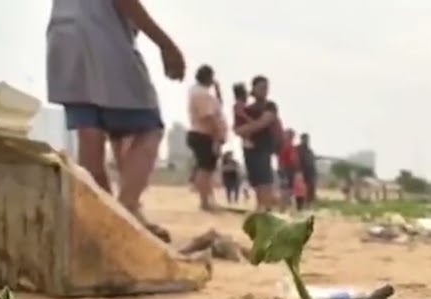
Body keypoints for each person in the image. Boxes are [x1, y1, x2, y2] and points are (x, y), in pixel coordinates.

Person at [46, 0, 184, 241]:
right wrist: (166, 45)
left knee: (90, 136)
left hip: (64, 37)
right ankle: (126, 211)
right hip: (102, 37)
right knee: (149, 127)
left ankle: (104, 221)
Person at [234, 75, 280, 210]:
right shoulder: (246, 108)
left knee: (265, 180)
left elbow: (263, 122)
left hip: (264, 147)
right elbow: (238, 130)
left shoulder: (270, 106)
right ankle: (261, 208)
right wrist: (247, 125)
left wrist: (246, 123)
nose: (264, 90)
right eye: (261, 87)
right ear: (253, 88)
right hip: (249, 149)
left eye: (266, 88)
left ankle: (266, 209)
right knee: (257, 182)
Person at [186, 64, 225, 210]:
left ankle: (208, 199)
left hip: (203, 134)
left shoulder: (201, 92)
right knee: (205, 169)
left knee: (207, 168)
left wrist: (218, 90)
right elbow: (208, 116)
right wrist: (217, 135)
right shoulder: (201, 94)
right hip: (204, 134)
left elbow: (218, 107)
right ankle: (204, 202)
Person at [277, 127, 299, 210]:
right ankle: (283, 208)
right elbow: (291, 159)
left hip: (285, 169)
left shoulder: (285, 146)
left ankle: (284, 208)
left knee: (286, 190)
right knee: (286, 190)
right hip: (287, 169)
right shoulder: (288, 146)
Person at [297, 133, 317, 206]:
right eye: (305, 139)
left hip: (310, 171)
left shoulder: (309, 150)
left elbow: (312, 159)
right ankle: (300, 204)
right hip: (301, 171)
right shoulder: (298, 149)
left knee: (311, 187)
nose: (307, 141)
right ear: (301, 139)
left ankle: (308, 203)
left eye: (307, 139)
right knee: (300, 189)